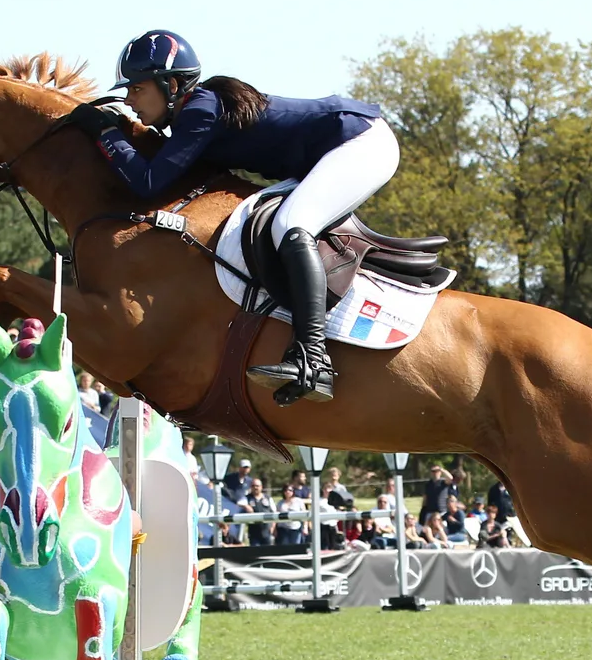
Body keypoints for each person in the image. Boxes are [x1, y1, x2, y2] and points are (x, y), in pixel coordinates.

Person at [69, 30, 398, 405]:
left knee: (291, 225)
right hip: (331, 151)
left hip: (360, 142)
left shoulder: (200, 109)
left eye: (137, 90)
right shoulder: (195, 113)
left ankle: (313, 359)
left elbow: (147, 182)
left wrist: (107, 133)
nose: (129, 101)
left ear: (171, 84)